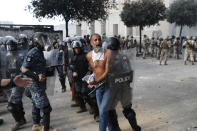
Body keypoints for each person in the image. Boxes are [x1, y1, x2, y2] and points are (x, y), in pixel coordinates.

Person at [106, 37, 141, 131]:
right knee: (128, 109)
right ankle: (135, 128)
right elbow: (130, 72)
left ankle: (116, 128)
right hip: (124, 86)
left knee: (110, 109)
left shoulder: (108, 58)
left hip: (113, 87)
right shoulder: (124, 56)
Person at [21, 32, 53, 131]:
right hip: (35, 85)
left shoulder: (40, 52)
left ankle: (36, 125)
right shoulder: (33, 53)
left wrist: (47, 70)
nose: (44, 42)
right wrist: (36, 76)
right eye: (41, 40)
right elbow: (24, 69)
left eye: (45, 40)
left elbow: (37, 67)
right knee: (46, 108)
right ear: (36, 42)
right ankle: (46, 128)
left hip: (39, 84)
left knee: (36, 104)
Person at [86, 33, 117, 131]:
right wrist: (89, 80)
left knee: (103, 112)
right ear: (91, 43)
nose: (98, 42)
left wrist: (95, 81)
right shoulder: (89, 55)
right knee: (104, 113)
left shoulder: (108, 53)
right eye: (95, 40)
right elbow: (92, 71)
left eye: (99, 39)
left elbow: (107, 72)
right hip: (98, 88)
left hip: (108, 86)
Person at [4, 37, 28, 131]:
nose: (9, 48)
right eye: (8, 46)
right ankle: (22, 118)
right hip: (9, 81)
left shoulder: (21, 55)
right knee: (17, 101)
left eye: (11, 46)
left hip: (18, 80)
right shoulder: (6, 56)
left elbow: (24, 68)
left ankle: (18, 121)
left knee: (11, 104)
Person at [70, 40, 89, 113]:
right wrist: (72, 69)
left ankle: (93, 107)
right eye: (75, 48)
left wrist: (88, 74)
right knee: (78, 93)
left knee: (85, 93)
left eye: (78, 48)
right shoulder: (74, 57)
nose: (77, 50)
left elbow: (90, 65)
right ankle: (82, 107)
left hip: (86, 77)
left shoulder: (86, 55)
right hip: (77, 78)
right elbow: (71, 65)